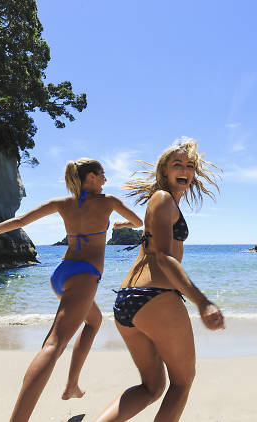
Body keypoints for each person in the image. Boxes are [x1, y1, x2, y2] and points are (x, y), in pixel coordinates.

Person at [0, 158, 142, 422]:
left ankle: (72, 385)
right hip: (84, 276)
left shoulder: (61, 203)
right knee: (53, 345)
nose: (106, 179)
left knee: (93, 322)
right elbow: (138, 221)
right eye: (102, 174)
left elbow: (19, 221)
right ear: (91, 177)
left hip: (62, 275)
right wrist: (123, 225)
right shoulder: (109, 202)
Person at [94, 139, 225, 422]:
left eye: (190, 166)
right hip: (154, 298)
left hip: (127, 302)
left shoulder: (162, 202)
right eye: (177, 164)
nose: (185, 170)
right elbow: (164, 257)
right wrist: (203, 302)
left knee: (152, 387)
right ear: (164, 170)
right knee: (182, 382)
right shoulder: (163, 199)